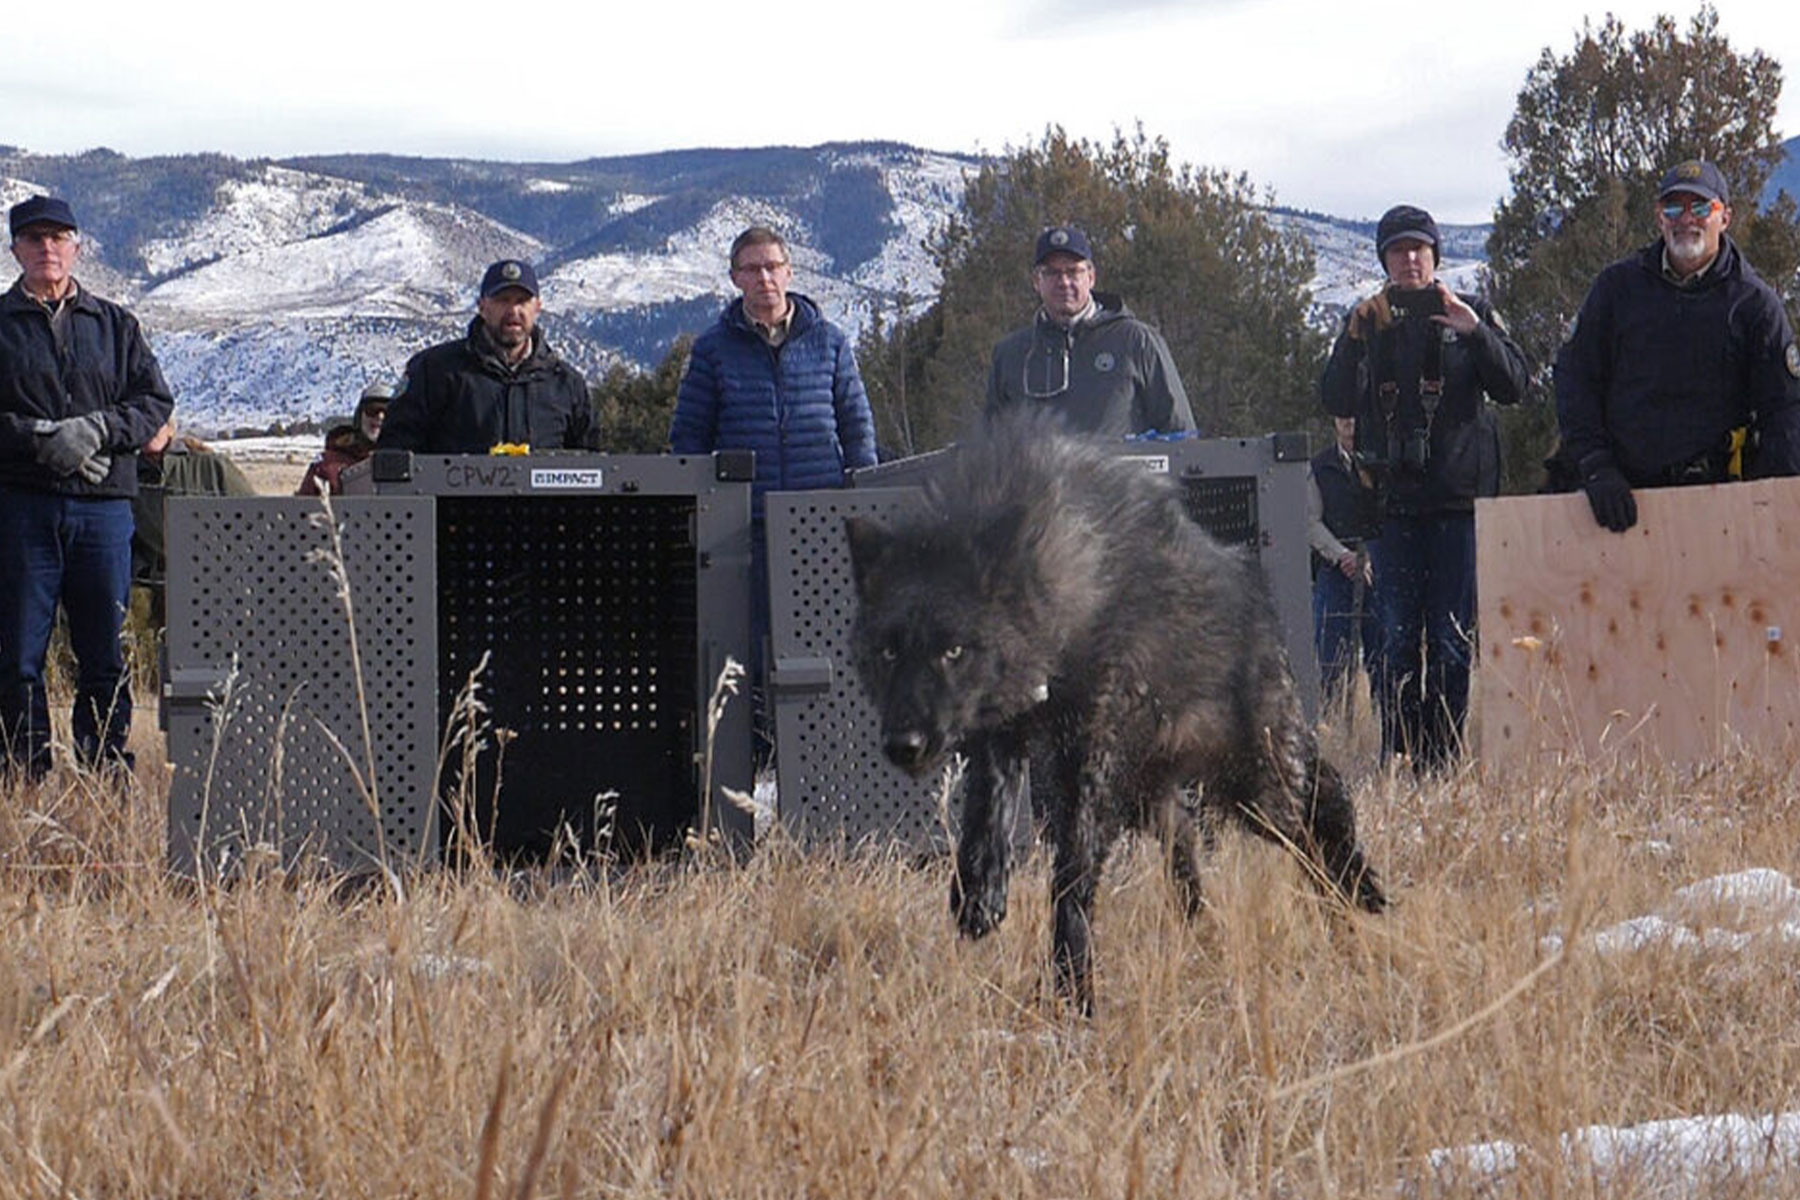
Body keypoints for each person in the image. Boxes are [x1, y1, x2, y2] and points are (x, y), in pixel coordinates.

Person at [1321, 204, 1529, 772]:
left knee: (1451, 640)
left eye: (1419, 249)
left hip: (1458, 505)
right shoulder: (1367, 322)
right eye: (1397, 250)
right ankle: (1398, 754)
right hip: (1391, 507)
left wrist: (1475, 332)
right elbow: (1334, 399)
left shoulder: (1470, 311)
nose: (1409, 259)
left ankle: (1443, 759)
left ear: (1435, 256)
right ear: (1384, 260)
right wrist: (1351, 340)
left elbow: (1515, 385)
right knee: (1394, 638)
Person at [668, 226, 877, 760]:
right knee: (754, 647)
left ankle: (827, 755)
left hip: (821, 524)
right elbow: (689, 441)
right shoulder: (713, 351)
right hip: (748, 528)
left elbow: (857, 429)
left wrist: (862, 506)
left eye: (772, 266)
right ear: (735, 278)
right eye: (752, 269)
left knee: (828, 642)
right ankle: (759, 757)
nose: (764, 278)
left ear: (789, 271)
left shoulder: (830, 342)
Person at [0, 195, 175, 779]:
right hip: (22, 507)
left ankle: (104, 768)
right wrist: (39, 438)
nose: (46, 248)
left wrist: (98, 430)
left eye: (58, 237)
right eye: (34, 239)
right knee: (18, 653)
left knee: (103, 652)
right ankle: (23, 773)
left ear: (77, 247)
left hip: (103, 510)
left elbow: (154, 402)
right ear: (16, 250)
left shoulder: (116, 325)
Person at [1555, 159, 1800, 532]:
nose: (1685, 219)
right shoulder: (1616, 289)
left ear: (1725, 217)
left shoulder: (1754, 304)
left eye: (1700, 208)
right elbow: (1576, 380)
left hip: (1721, 507)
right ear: (1659, 218)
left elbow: (1785, 410)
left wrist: (1766, 502)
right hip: (1619, 503)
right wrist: (1595, 466)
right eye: (1673, 208)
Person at [986, 225, 1196, 436]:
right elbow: (991, 441)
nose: (1064, 282)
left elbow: (1180, 434)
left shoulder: (1137, 341)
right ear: (1036, 282)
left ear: (1091, 277)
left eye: (1073, 271)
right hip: (1037, 460)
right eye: (1052, 273)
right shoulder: (1010, 355)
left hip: (1119, 460)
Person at [378, 259, 594, 454]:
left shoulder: (566, 384)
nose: (513, 310)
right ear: (482, 307)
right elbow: (395, 450)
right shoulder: (434, 371)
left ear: (537, 308)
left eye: (522, 301)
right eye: (502, 300)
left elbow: (592, 464)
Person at [133, 419, 257, 627]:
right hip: (160, 594)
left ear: (170, 427)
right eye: (142, 420)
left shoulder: (212, 466)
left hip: (220, 590)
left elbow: (255, 520)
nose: (149, 428)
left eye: (157, 421)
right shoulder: (127, 475)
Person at [1307, 415, 1382, 707]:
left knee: (1384, 661)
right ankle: (1332, 726)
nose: (1349, 421)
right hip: (1334, 571)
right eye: (1342, 415)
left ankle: (1386, 726)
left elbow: (1393, 514)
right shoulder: (1318, 466)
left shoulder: (1382, 461)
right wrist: (1343, 557)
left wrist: (1370, 557)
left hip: (1378, 571)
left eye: (1354, 414)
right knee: (1330, 664)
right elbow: (1310, 521)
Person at [297, 382, 390, 495]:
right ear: (359, 417)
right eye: (372, 410)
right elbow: (304, 504)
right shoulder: (327, 467)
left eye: (388, 411)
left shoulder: (407, 463)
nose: (380, 417)